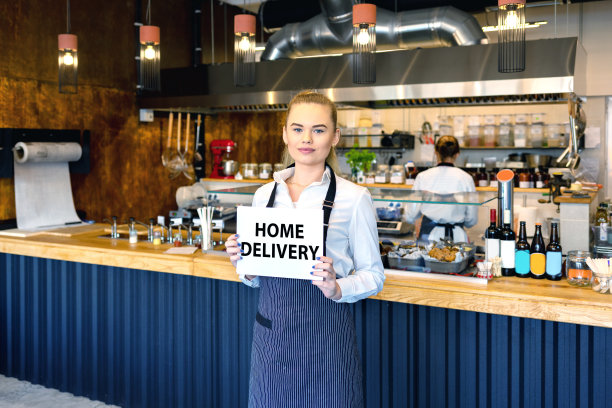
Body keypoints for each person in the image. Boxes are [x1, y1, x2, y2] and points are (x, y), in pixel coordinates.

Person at [225, 91, 384, 407]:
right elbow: (253, 276)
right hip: (272, 337)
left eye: (319, 129)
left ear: (335, 136)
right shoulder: (264, 196)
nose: (306, 138)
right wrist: (244, 263)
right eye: (297, 128)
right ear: (285, 134)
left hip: (327, 340)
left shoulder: (354, 198)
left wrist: (338, 286)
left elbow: (374, 276)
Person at [405, 135, 478, 243]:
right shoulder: (466, 178)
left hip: (428, 237)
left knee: (429, 260)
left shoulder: (423, 176)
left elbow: (410, 215)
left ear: (436, 153)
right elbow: (471, 219)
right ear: (457, 154)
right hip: (457, 238)